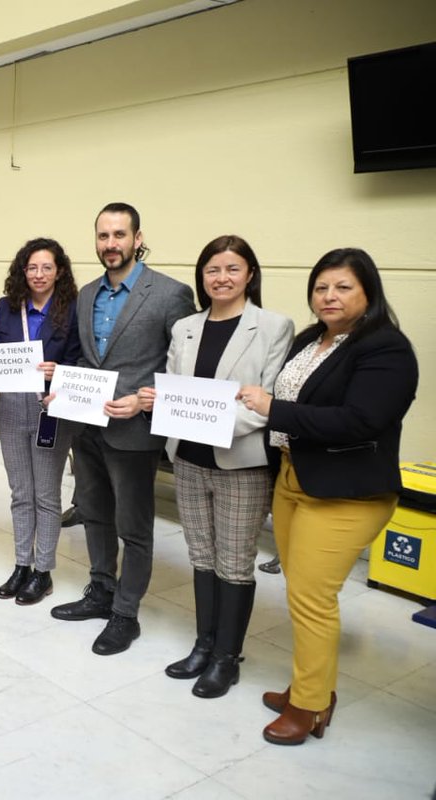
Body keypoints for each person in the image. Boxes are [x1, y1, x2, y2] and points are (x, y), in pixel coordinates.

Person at [238, 248, 417, 745]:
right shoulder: (311, 339)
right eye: (321, 287)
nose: (329, 296)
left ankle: (309, 705)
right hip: (295, 480)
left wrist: (275, 409)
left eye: (343, 287)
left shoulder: (386, 349)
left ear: (368, 293)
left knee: (312, 597)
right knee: (302, 593)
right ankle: (314, 686)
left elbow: (360, 420)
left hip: (347, 492)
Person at [136, 235, 293, 697]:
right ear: (201, 277)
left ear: (250, 275)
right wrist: (158, 403)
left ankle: (227, 657)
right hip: (187, 459)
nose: (221, 278)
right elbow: (173, 389)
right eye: (212, 270)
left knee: (235, 562)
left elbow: (269, 401)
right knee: (201, 556)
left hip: (239, 464)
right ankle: (203, 646)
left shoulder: (272, 326)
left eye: (232, 269)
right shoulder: (185, 326)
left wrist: (210, 419)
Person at [49, 202, 194, 655]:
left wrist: (145, 398)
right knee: (94, 513)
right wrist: (63, 384)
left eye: (119, 235)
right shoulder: (87, 293)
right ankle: (100, 590)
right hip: (87, 425)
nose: (110, 244)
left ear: (137, 238)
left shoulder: (171, 294)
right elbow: (82, 357)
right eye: (103, 236)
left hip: (135, 430)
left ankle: (126, 613)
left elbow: (183, 366)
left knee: (133, 526)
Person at [0, 237, 80, 605]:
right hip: (11, 407)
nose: (39, 274)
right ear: (21, 271)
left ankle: (43, 571)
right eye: (32, 267)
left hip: (51, 409)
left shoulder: (73, 309)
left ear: (59, 271)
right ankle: (21, 564)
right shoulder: (7, 307)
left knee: (46, 494)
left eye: (46, 267)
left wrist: (61, 370)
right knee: (20, 493)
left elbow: (82, 359)